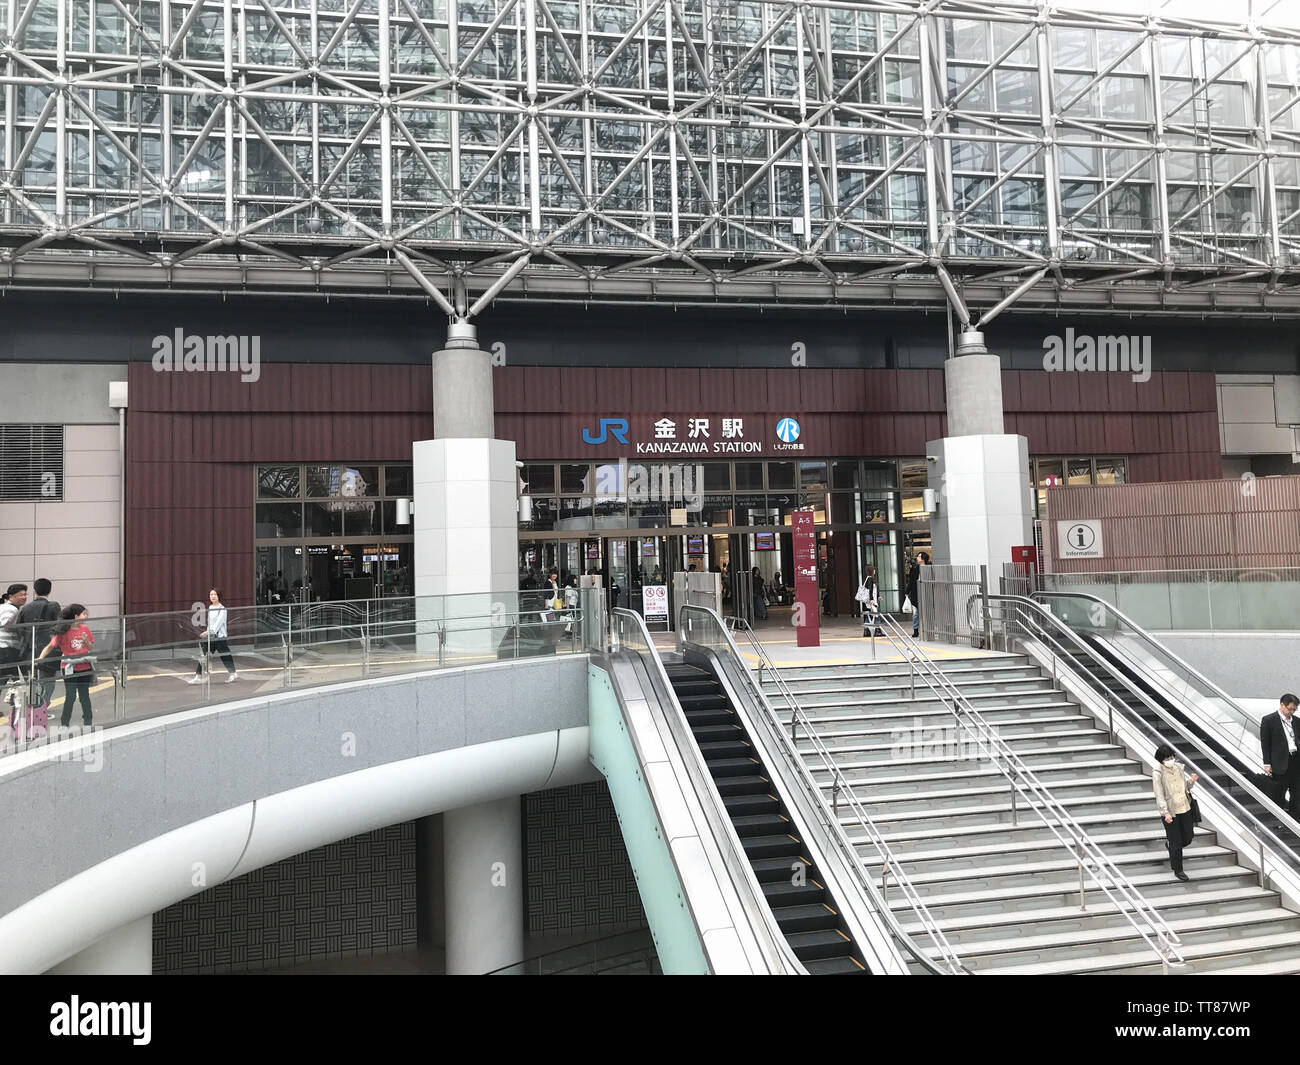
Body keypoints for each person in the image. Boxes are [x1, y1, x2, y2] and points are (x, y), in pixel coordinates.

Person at [37, 604, 95, 728]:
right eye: (84, 613)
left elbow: (90, 647)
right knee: (70, 696)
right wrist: (40, 658)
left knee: (85, 695)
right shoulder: (63, 631)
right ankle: (64, 723)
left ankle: (88, 721)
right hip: (69, 667)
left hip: (85, 666)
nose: (86, 616)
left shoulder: (85, 629)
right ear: (76, 616)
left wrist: (86, 640)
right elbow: (50, 646)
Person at [1152, 742, 1199, 882]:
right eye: (1167, 759)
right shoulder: (1158, 773)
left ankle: (1171, 846)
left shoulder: (1179, 767)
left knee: (1188, 836)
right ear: (1161, 760)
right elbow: (1159, 794)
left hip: (1185, 807)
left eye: (1171, 757)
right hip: (1170, 812)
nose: (1170, 760)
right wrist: (1165, 812)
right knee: (1176, 842)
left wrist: (1191, 781)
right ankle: (1178, 870)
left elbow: (1185, 788)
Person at [17, 578, 61, 708]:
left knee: (32, 679)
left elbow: (19, 629)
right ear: (50, 590)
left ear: (34, 591)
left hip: (30, 648)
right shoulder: (54, 606)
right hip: (49, 648)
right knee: (48, 678)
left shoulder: (26, 608)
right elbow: (59, 626)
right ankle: (42, 706)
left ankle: (35, 705)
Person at [1261, 693, 1300, 818]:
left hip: (1296, 760)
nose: (1292, 712)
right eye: (1290, 709)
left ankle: (1295, 818)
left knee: (1297, 792)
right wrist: (1267, 763)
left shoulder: (1297, 721)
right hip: (1280, 762)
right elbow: (1265, 744)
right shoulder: (1269, 720)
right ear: (1282, 705)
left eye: (1295, 709)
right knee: (1279, 792)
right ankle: (1279, 819)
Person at [188, 589, 237, 684]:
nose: (213, 596)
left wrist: (207, 632)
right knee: (204, 655)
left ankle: (233, 673)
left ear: (219, 596)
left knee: (225, 656)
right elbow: (210, 623)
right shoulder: (210, 607)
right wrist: (207, 631)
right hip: (211, 637)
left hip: (220, 637)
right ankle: (198, 676)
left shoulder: (222, 609)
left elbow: (217, 625)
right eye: (211, 594)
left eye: (215, 594)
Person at [0, 583, 28, 679]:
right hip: (7, 649)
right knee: (17, 679)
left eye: (25, 594)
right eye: (21, 595)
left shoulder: (3, 606)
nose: (24, 597)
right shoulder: (12, 609)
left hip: (5, 648)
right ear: (11, 596)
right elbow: (4, 623)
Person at [906, 551, 929, 637]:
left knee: (926, 613)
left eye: (919, 557)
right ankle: (916, 630)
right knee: (915, 613)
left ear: (923, 559)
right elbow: (911, 581)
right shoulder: (916, 569)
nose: (917, 558)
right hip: (916, 594)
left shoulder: (928, 569)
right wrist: (907, 592)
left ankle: (926, 629)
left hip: (925, 594)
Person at [859, 564, 883, 637]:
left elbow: (873, 590)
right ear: (871, 571)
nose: (875, 571)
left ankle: (867, 631)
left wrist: (878, 596)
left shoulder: (867, 579)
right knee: (876, 615)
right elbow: (870, 590)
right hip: (871, 601)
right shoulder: (870, 579)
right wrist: (872, 599)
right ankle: (877, 631)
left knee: (868, 615)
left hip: (868, 601)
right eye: (874, 569)